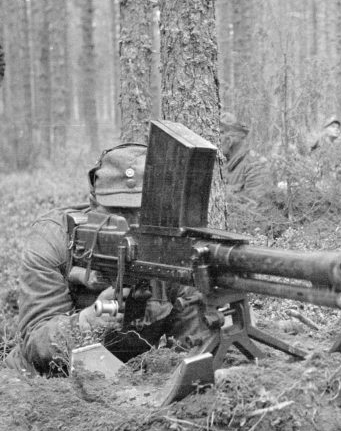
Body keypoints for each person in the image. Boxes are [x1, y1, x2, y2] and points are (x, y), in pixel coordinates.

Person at [4, 144, 201, 375]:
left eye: (140, 213)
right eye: (116, 213)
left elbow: (190, 346)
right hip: (41, 383)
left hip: (125, 387)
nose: (130, 225)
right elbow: (36, 345)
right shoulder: (54, 239)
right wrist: (87, 323)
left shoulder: (169, 250)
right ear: (93, 202)